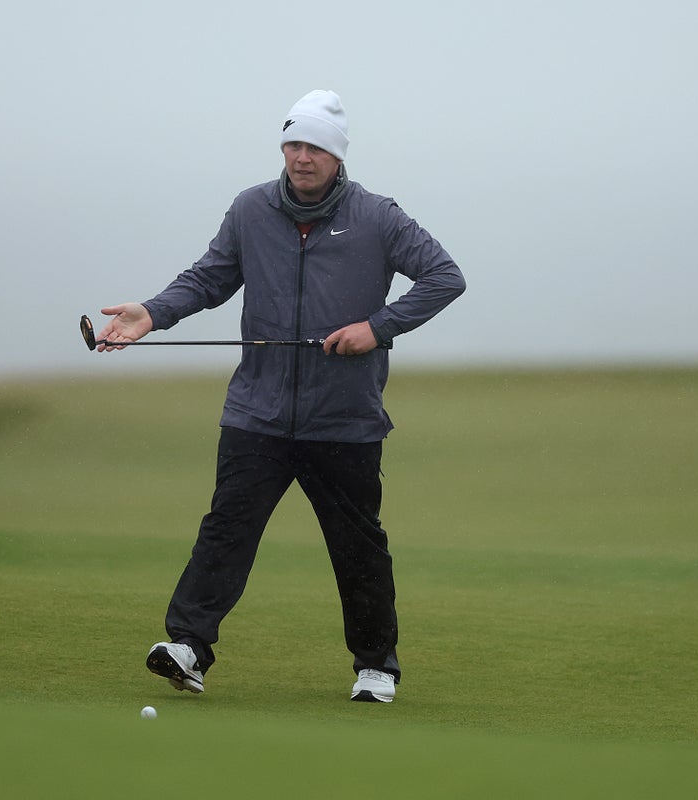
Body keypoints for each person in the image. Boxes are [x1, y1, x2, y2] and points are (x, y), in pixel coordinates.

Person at [95, 89, 465, 703]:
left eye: (315, 147)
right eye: (293, 144)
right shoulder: (251, 209)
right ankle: (188, 646)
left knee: (358, 548)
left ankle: (375, 667)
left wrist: (378, 328)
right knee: (226, 530)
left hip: (344, 419)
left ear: (337, 156)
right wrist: (153, 314)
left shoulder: (378, 217)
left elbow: (445, 277)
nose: (301, 157)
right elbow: (210, 278)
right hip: (257, 413)